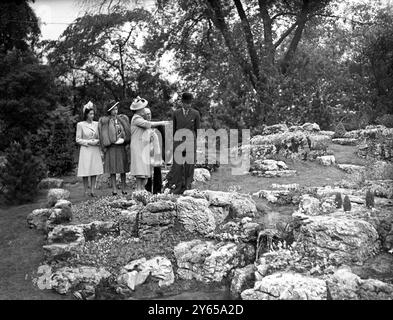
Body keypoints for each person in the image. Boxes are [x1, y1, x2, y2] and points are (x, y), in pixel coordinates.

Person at [130, 97, 168, 191]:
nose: (144, 109)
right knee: (140, 173)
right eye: (143, 108)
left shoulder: (139, 118)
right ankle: (139, 192)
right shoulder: (136, 119)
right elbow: (148, 124)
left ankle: (141, 192)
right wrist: (162, 122)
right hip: (138, 147)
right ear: (139, 109)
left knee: (144, 174)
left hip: (142, 148)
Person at [167, 92, 200, 194]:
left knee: (189, 165)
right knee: (177, 166)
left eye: (189, 103)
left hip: (190, 142)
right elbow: (174, 129)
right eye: (186, 103)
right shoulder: (176, 113)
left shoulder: (195, 113)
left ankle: (187, 186)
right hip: (178, 142)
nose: (188, 105)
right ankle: (178, 187)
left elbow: (197, 129)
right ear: (182, 103)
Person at [98, 101, 131, 195]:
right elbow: (105, 135)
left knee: (123, 169)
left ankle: (124, 188)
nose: (115, 111)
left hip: (121, 147)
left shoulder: (121, 120)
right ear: (110, 111)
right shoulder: (106, 121)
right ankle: (114, 189)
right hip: (112, 147)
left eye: (116, 109)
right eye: (113, 109)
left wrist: (124, 138)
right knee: (113, 169)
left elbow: (125, 131)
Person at [76, 101, 104, 197]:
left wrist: (97, 141)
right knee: (85, 171)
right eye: (90, 114)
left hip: (95, 149)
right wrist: (88, 142)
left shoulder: (97, 124)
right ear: (86, 114)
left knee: (94, 170)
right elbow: (77, 139)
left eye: (93, 114)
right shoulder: (80, 124)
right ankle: (85, 191)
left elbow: (101, 136)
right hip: (86, 149)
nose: (92, 115)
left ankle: (92, 190)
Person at [144, 108, 166, 194]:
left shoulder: (158, 126)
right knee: (147, 173)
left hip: (156, 152)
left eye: (149, 113)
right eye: (146, 114)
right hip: (146, 152)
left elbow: (164, 141)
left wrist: (163, 156)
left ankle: (157, 191)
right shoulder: (142, 126)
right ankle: (148, 190)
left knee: (157, 171)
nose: (148, 115)